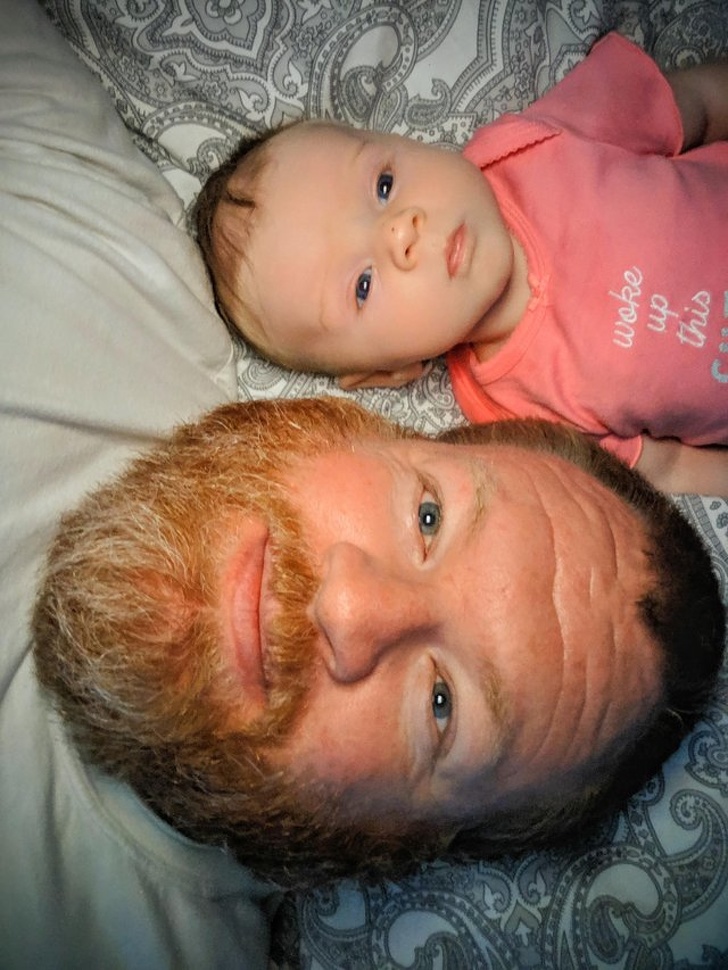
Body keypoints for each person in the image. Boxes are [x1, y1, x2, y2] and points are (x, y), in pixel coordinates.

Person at [33, 394, 726, 886]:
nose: (347, 607)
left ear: (391, 843)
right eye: (429, 517)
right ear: (359, 424)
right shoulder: (140, 270)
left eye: (441, 704)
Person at [195, 32, 728, 497]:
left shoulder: (533, 143)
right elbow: (668, 466)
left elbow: (697, 103)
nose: (401, 232)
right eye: (362, 285)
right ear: (389, 372)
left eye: (384, 186)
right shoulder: (516, 418)